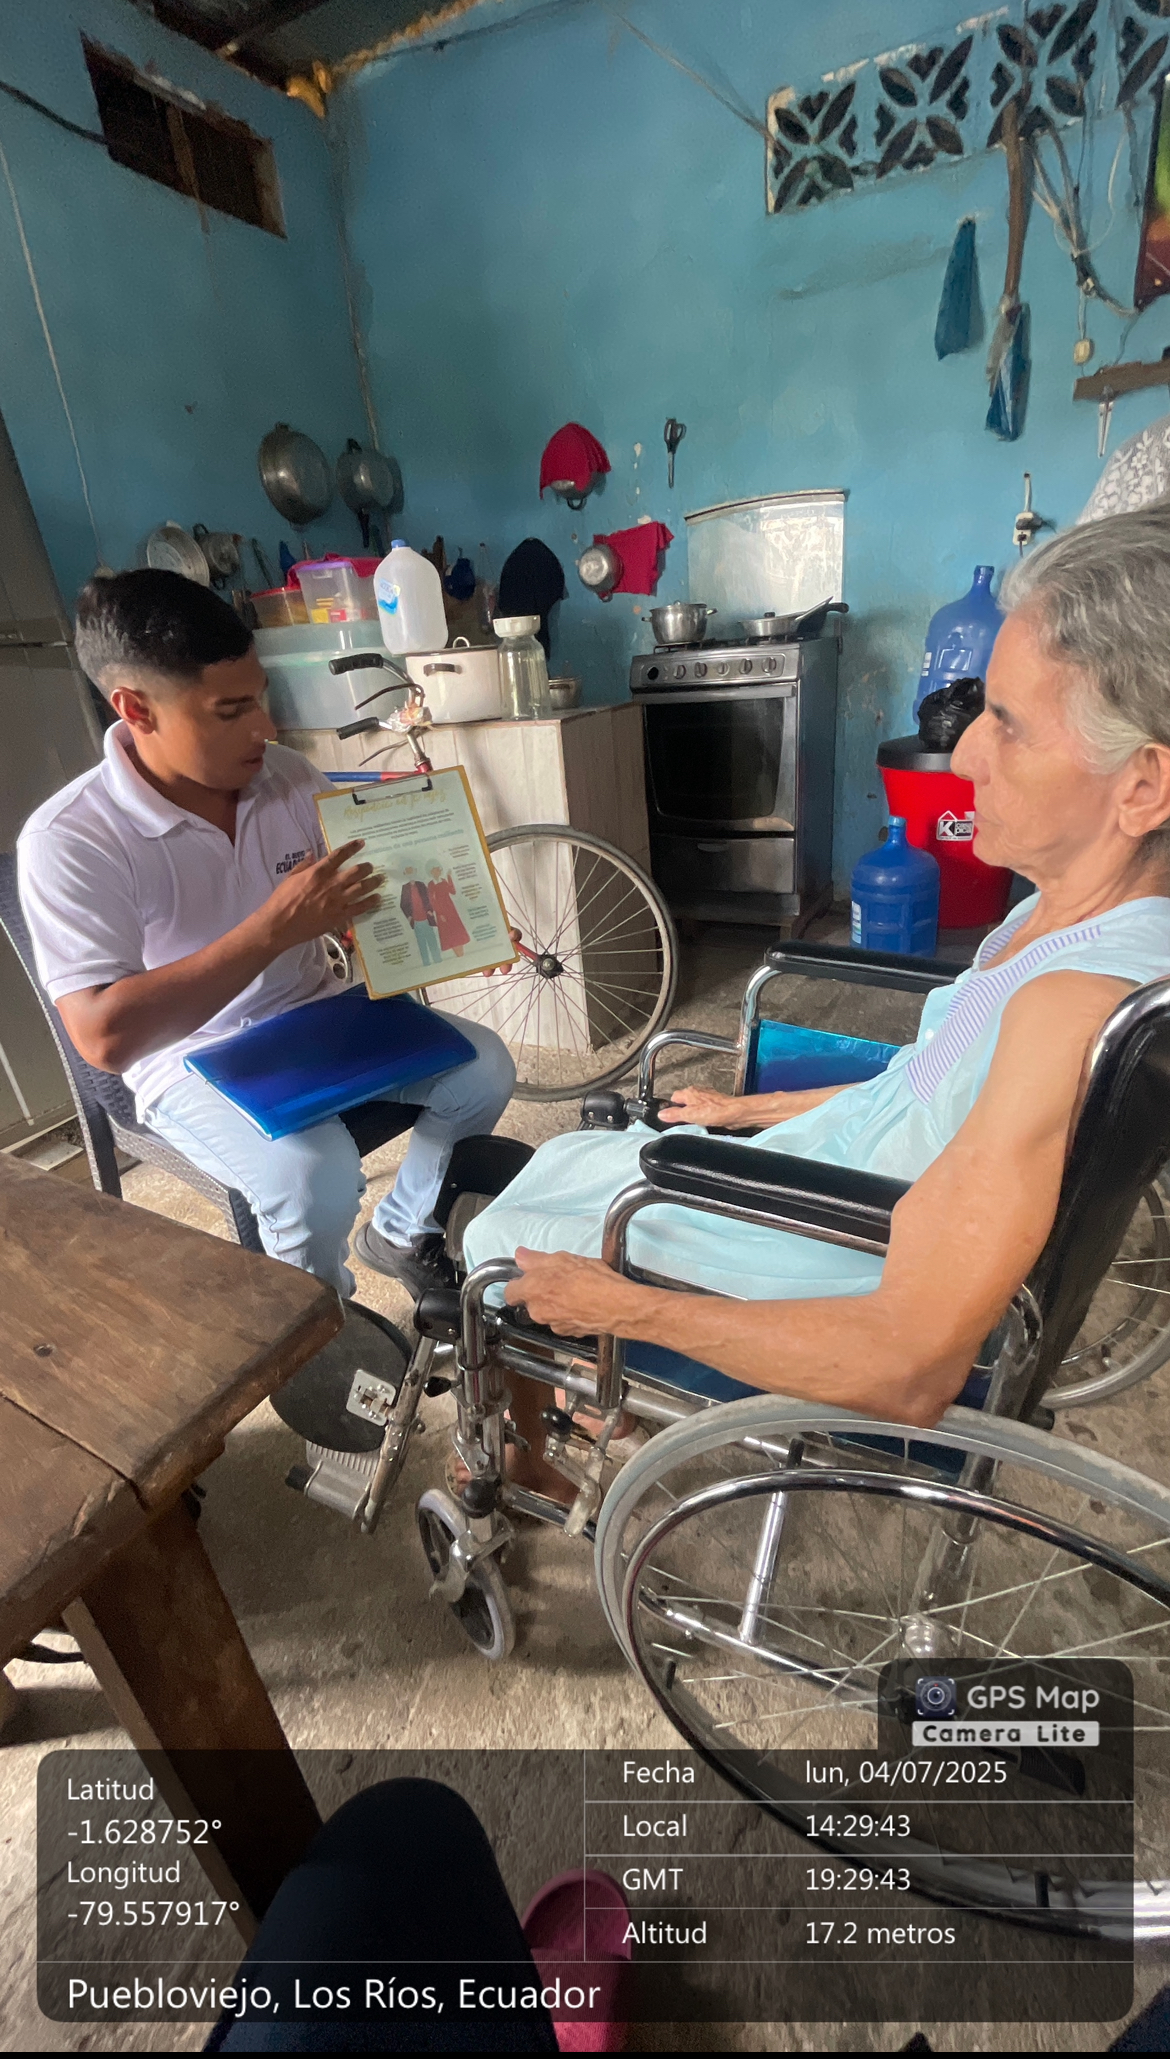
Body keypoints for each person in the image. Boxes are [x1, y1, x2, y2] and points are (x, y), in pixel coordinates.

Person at [461, 508, 1170, 1491]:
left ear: (1143, 786)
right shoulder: (1062, 913)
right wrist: (747, 1110)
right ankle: (574, 1389)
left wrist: (627, 1308)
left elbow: (910, 1362)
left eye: (1008, 724)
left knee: (505, 1241)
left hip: (837, 1243)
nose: (966, 755)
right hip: (849, 1168)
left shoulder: (1073, 1009)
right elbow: (925, 1090)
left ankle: (531, 1449)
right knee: (571, 1158)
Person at [17, 570, 515, 1301]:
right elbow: (103, 1038)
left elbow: (362, 894)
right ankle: (317, 1324)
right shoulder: (71, 839)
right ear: (135, 709)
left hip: (317, 1012)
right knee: (314, 1177)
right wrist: (271, 931)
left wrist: (452, 923)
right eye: (232, 710)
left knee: (487, 1067)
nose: (266, 728)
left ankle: (404, 1229)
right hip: (189, 1054)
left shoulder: (287, 777)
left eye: (261, 696)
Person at [399, 865, 442, 968]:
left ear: (415, 872)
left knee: (432, 940)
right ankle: (426, 963)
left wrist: (430, 910)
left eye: (412, 872)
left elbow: (429, 898)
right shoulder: (405, 887)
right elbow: (403, 904)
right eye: (408, 873)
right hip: (416, 921)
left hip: (426, 918)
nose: (411, 875)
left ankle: (438, 960)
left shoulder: (421, 885)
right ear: (406, 875)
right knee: (421, 943)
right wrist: (409, 917)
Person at [427, 865, 470, 956]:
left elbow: (453, 891)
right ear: (431, 872)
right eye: (435, 870)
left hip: (450, 908)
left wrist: (449, 877)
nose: (437, 872)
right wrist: (440, 913)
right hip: (441, 911)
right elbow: (432, 901)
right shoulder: (431, 884)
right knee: (449, 933)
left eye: (438, 870)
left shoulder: (443, 881)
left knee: (456, 930)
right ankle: (459, 956)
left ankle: (462, 955)